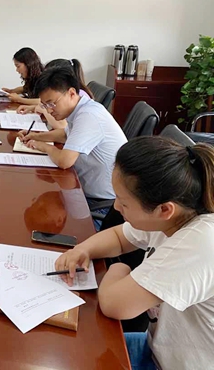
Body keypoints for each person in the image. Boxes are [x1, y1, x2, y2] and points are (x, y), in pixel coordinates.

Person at [55, 137, 214, 370]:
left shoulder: (200, 242)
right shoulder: (177, 215)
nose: (116, 207)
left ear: (164, 209)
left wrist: (119, 268)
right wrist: (82, 249)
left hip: (172, 363)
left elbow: (115, 304)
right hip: (157, 348)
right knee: (69, 348)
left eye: (124, 202)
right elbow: (119, 237)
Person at [18, 67, 127, 209]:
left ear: (71, 93)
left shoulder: (88, 115)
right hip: (83, 189)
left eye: (51, 103)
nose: (49, 110)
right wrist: (35, 136)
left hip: (102, 203)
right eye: (45, 105)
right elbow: (65, 135)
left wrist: (43, 146)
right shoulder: (80, 109)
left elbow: (64, 161)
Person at [18, 58, 93, 130]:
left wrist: (43, 110)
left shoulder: (79, 97)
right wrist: (33, 108)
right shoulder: (73, 95)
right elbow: (66, 132)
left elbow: (62, 126)